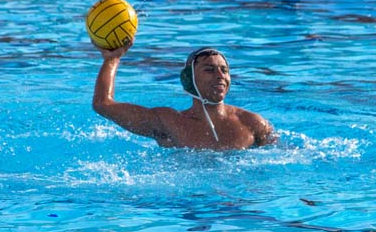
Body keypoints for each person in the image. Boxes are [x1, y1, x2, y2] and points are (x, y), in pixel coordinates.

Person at [93, 40, 276, 150]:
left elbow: (283, 156)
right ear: (189, 79)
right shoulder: (168, 122)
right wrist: (112, 59)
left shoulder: (252, 123)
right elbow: (103, 104)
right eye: (210, 70)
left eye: (224, 70)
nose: (220, 76)